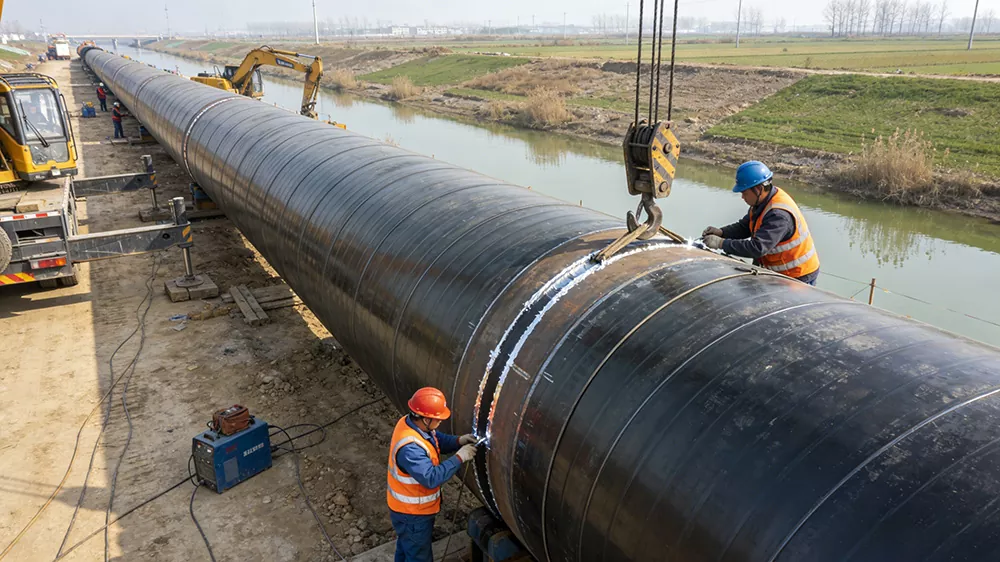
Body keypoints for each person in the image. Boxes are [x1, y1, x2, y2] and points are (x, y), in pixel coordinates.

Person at [388, 387, 478, 562]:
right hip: (412, 515)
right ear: (425, 418)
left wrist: (459, 441)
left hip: (411, 512)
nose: (440, 422)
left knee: (406, 549)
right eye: (437, 419)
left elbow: (436, 439)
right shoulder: (410, 449)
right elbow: (431, 478)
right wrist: (459, 458)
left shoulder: (412, 423)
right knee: (418, 557)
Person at [702, 161, 820, 285]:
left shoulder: (778, 215)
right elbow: (745, 227)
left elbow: (757, 248)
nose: (742, 197)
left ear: (758, 189)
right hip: (778, 272)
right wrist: (722, 232)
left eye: (744, 193)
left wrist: (721, 243)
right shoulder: (762, 202)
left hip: (798, 276)